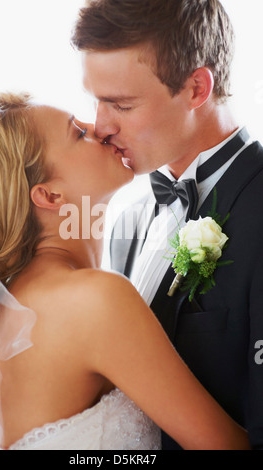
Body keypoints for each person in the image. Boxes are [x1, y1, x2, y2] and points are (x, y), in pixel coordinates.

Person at [0, 92, 250, 450]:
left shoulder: (12, 307)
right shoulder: (92, 299)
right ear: (50, 197)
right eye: (77, 133)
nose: (98, 129)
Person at [71, 0, 263, 450]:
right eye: (95, 101)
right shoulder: (129, 217)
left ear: (197, 87)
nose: (100, 127)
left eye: (121, 104)